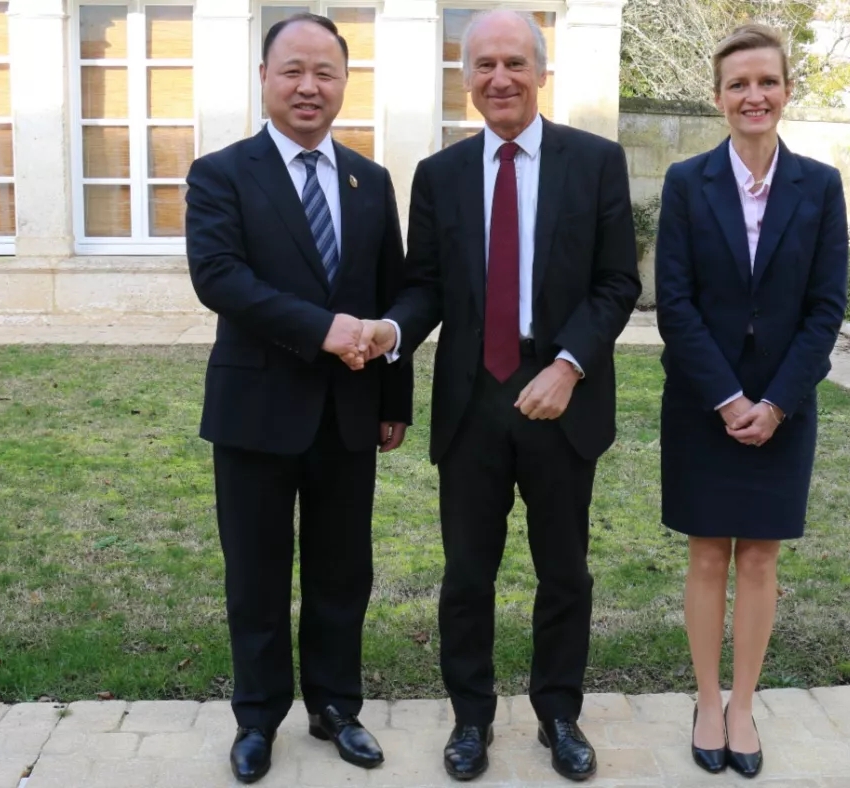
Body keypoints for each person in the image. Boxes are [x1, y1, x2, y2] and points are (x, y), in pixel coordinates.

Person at [356, 9, 640, 782]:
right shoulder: (440, 175)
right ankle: (471, 719)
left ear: (541, 72)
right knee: (466, 576)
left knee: (565, 573)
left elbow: (618, 282)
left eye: (515, 62)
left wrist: (569, 366)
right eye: (484, 64)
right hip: (471, 402)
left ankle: (559, 714)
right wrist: (390, 331)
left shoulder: (595, 162)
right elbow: (425, 287)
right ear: (466, 79)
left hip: (562, 398)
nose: (500, 78)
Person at [184, 13, 412, 785]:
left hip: (349, 413)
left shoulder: (370, 182)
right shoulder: (221, 174)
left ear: (345, 83)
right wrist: (322, 329)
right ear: (264, 79)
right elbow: (220, 277)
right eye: (293, 71)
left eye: (325, 72)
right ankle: (257, 719)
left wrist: (394, 400)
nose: (309, 86)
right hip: (255, 413)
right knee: (255, 574)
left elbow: (389, 293)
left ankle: (336, 707)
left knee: (343, 571)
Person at [654, 23, 848, 778]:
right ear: (719, 97)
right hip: (704, 403)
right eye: (738, 84)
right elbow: (674, 304)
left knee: (760, 557)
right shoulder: (686, 182)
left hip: (784, 406)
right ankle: (706, 701)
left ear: (787, 91)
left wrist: (775, 404)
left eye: (766, 81)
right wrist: (730, 399)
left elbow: (825, 309)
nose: (753, 95)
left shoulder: (820, 186)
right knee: (708, 554)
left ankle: (743, 705)